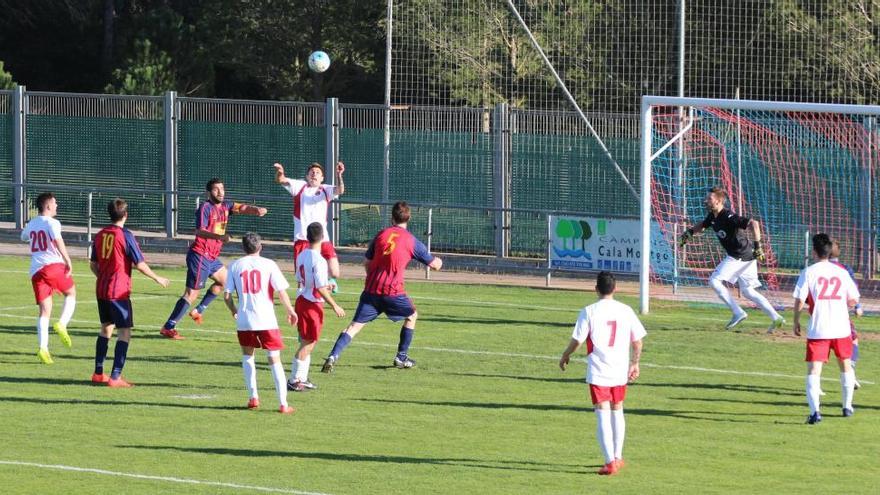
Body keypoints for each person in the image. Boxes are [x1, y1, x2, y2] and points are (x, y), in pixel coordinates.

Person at [321, 201, 442, 373]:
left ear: (392, 217)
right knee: (412, 316)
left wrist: (372, 276)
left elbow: (367, 263)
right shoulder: (411, 241)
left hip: (371, 290)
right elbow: (435, 265)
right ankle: (401, 357)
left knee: (354, 327)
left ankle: (333, 356)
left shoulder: (381, 235)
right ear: (409, 218)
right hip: (393, 292)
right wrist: (440, 261)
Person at [559, 271, 646, 476]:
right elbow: (638, 341)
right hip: (619, 368)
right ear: (615, 289)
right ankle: (617, 456)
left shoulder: (589, 311)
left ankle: (609, 462)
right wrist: (635, 363)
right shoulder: (625, 310)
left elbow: (578, 340)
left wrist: (565, 355)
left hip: (599, 369)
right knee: (618, 409)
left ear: (595, 289)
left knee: (602, 412)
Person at [159, 178, 268, 339]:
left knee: (224, 282)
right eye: (216, 189)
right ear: (208, 193)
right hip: (200, 255)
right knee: (191, 294)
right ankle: (168, 327)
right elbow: (199, 231)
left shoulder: (225, 206)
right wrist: (219, 237)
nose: (220, 192)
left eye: (222, 189)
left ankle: (198, 310)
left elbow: (241, 207)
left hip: (211, 257)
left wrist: (256, 209)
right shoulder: (205, 208)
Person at [679, 187, 785, 332]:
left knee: (714, 281)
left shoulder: (728, 216)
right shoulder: (712, 216)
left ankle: (738, 312)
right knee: (748, 291)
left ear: (718, 201)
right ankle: (776, 317)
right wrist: (689, 232)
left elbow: (754, 224)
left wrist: (758, 246)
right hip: (747, 256)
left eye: (709, 199)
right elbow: (703, 225)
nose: (706, 201)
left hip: (739, 256)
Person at [89, 198, 170, 387]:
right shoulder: (125, 235)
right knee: (124, 332)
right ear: (126, 215)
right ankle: (115, 377)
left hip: (101, 290)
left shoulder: (100, 234)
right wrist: (157, 277)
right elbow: (140, 264)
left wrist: (103, 277)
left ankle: (98, 372)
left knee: (106, 328)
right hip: (118, 292)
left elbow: (93, 264)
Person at [224, 232, 297, 414]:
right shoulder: (269, 264)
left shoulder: (234, 265)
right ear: (260, 247)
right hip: (266, 319)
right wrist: (290, 310)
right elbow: (281, 291)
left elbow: (226, 296)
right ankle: (283, 403)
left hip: (245, 319)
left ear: (243, 248)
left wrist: (234, 310)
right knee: (274, 359)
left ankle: (253, 397)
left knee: (248, 356)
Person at [792, 233, 860, 425]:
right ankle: (847, 407)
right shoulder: (841, 272)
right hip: (841, 328)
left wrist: (795, 321)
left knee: (814, 370)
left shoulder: (809, 272)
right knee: (845, 364)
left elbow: (799, 300)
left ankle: (815, 413)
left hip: (819, 328)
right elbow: (853, 299)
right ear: (830, 252)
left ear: (814, 252)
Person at [289, 222, 346, 391]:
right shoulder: (320, 260)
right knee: (308, 342)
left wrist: (325, 286)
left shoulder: (302, 255)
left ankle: (302, 378)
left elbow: (302, 280)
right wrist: (335, 305)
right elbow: (320, 288)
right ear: (322, 237)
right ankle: (294, 380)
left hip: (302, 299)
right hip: (311, 304)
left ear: (307, 237)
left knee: (309, 341)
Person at [20, 192, 76, 364]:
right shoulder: (53, 222)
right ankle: (62, 324)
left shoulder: (32, 223)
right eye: (55, 203)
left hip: (36, 272)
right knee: (71, 293)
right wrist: (68, 260)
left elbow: (23, 237)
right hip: (52, 266)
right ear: (48, 206)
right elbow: (58, 241)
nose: (57, 206)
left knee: (45, 311)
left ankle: (43, 349)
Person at [273, 161, 345, 284]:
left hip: (322, 239)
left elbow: (340, 190)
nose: (314, 174)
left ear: (322, 178)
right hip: (302, 239)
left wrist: (339, 175)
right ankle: (305, 296)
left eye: (317, 173)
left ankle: (327, 281)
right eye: (312, 172)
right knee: (302, 279)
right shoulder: (299, 186)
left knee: (335, 272)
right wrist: (280, 173)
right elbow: (281, 180)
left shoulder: (325, 189)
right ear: (307, 176)